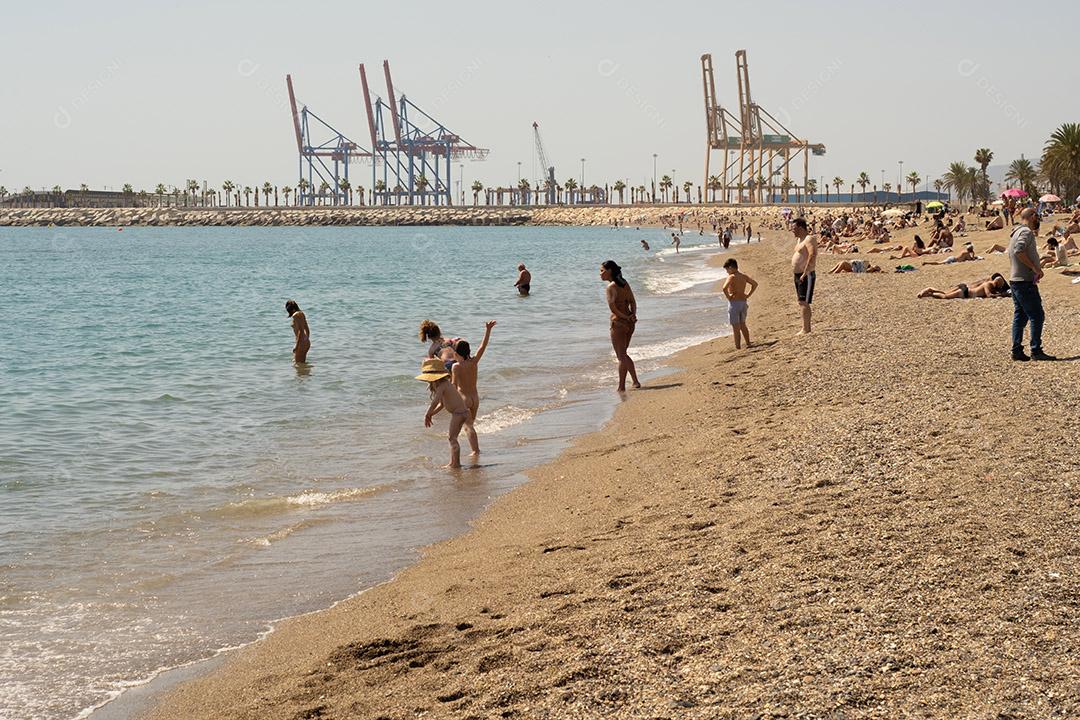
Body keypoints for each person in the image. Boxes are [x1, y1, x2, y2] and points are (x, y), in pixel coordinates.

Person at [1009, 208, 1054, 361]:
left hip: (1016, 280)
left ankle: (1017, 350)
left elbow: (1021, 251)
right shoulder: (1026, 232)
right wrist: (1034, 268)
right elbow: (1019, 250)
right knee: (1037, 315)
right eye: (1037, 216)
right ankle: (1036, 350)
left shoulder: (1015, 231)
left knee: (1020, 316)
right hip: (1024, 282)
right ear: (1032, 216)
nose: (1038, 219)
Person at [450, 321, 496, 458]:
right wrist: (488, 330)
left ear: (456, 353)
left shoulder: (456, 367)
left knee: (468, 426)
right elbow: (483, 346)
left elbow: (453, 385)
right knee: (470, 425)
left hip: (464, 399)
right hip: (475, 399)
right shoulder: (474, 362)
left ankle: (476, 451)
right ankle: (475, 449)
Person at [418, 359, 470, 468]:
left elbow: (435, 401)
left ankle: (455, 463)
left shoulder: (442, 385)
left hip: (458, 413)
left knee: (452, 438)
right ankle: (454, 462)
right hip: (463, 412)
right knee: (453, 437)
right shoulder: (445, 384)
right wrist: (432, 414)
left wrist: (427, 413)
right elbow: (441, 404)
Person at [600, 260, 640, 391]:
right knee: (624, 354)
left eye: (602, 271)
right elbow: (633, 302)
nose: (600, 274)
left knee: (621, 356)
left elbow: (613, 308)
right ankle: (634, 381)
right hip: (630, 323)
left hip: (618, 323)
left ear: (609, 271)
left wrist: (624, 317)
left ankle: (621, 387)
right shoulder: (624, 283)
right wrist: (632, 315)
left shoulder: (611, 287)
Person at [722, 258, 758, 349]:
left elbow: (724, 288)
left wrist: (729, 297)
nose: (727, 272)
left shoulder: (732, 276)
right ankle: (748, 343)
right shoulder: (743, 276)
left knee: (736, 327)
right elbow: (755, 284)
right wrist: (748, 295)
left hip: (734, 303)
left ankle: (738, 347)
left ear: (730, 267)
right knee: (743, 324)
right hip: (743, 302)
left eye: (727, 270)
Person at [791, 218, 817, 334]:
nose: (792, 231)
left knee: (804, 302)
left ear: (800, 228)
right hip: (798, 274)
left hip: (806, 274)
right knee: (801, 301)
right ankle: (805, 327)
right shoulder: (799, 240)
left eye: (794, 228)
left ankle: (806, 329)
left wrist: (805, 272)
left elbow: (812, 255)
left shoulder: (809, 239)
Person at [917, 273, 1009, 299]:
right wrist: (1002, 295)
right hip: (965, 292)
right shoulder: (987, 284)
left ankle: (930, 289)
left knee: (944, 292)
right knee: (945, 296)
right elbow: (989, 295)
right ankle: (929, 294)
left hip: (965, 287)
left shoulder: (988, 283)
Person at [285, 300, 310, 364]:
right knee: (302, 364)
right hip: (306, 341)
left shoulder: (295, 315)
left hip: (301, 342)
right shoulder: (302, 313)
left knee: (297, 364)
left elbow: (301, 331)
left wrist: (297, 346)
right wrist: (306, 340)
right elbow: (307, 328)